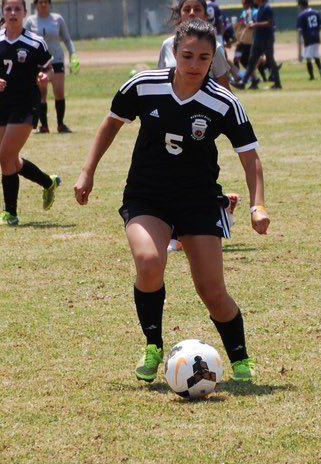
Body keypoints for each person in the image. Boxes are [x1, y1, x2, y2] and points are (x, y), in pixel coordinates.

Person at [74, 19, 270, 382]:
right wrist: (88, 172)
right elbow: (111, 123)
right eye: (187, 55)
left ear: (214, 60)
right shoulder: (143, 86)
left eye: (203, 57)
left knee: (211, 290)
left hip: (198, 201)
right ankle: (153, 345)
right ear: (174, 53)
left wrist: (259, 205)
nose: (194, 64)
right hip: (147, 196)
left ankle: (240, 358)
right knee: (149, 262)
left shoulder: (223, 102)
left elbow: (250, 157)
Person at [158, 0, 239, 252]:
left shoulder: (214, 47)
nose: (192, 12)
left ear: (206, 13)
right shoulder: (166, 46)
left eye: (197, 8)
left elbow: (224, 86)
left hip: (199, 124)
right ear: (179, 14)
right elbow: (160, 83)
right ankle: (220, 206)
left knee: (194, 175)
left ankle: (208, 213)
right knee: (166, 173)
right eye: (186, 9)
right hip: (171, 122)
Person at [0, 0, 61, 226]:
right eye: (8, 9)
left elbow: (49, 68)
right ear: (2, 12)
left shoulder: (35, 42)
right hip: (2, 105)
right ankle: (48, 182)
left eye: (17, 9)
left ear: (25, 13)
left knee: (6, 156)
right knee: (9, 161)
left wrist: (46, 77)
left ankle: (11, 214)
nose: (13, 13)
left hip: (27, 105)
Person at [24, 0, 79, 133]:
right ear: (36, 4)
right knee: (42, 93)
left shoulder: (57, 19)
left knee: (59, 92)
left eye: (46, 2)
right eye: (40, 2)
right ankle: (44, 126)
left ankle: (60, 124)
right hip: (38, 63)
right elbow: (24, 40)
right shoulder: (31, 21)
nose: (43, 4)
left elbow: (67, 39)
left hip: (56, 60)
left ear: (50, 4)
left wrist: (73, 55)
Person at [231, 0, 282, 90]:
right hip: (258, 39)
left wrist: (255, 25)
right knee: (251, 62)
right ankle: (243, 83)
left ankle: (277, 84)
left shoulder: (267, 8)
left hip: (266, 39)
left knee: (270, 60)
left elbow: (270, 23)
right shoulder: (261, 8)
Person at [297, 0, 321, 80]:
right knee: (316, 55)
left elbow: (300, 30)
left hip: (308, 38)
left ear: (301, 5)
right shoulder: (316, 13)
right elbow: (320, 26)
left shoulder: (302, 15)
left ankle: (312, 76)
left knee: (308, 58)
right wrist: (315, 32)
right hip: (316, 37)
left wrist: (304, 36)